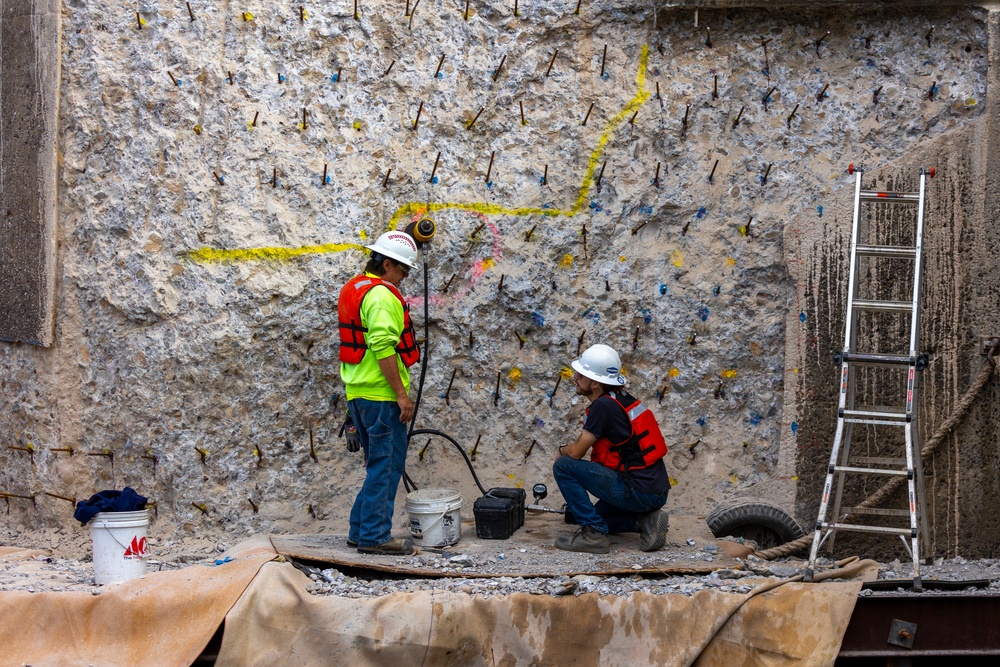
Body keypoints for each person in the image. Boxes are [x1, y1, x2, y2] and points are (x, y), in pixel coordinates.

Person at [338, 230, 421, 555]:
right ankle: (374, 537)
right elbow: (383, 346)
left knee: (377, 466)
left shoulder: (356, 287)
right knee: (386, 466)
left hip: (359, 393)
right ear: (386, 264)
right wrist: (402, 395)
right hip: (381, 396)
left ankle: (359, 531)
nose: (404, 278)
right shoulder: (383, 296)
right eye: (402, 270)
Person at [552, 344, 671, 554]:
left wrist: (561, 451)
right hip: (655, 492)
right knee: (592, 515)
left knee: (564, 466)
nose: (575, 377)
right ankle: (644, 520)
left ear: (596, 384)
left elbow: (577, 452)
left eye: (581, 374)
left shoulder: (602, 407)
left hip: (638, 490)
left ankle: (594, 536)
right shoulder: (621, 400)